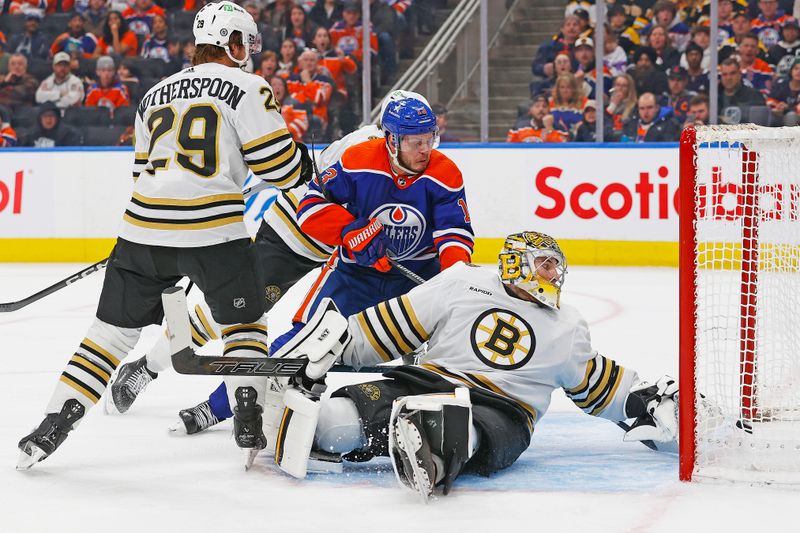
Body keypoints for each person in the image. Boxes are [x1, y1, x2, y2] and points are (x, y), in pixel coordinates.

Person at [17, 1, 307, 469]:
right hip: (217, 232)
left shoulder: (153, 94)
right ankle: (248, 413)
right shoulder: (249, 87)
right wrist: (304, 162)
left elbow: (141, 174)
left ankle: (53, 425)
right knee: (243, 325)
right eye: (244, 43)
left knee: (108, 337)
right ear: (231, 42)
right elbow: (280, 169)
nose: (248, 52)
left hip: (143, 230)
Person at [105, 90, 436, 438]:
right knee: (235, 312)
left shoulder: (412, 159)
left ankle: (410, 347)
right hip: (292, 238)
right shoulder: (361, 148)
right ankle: (148, 367)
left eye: (427, 138)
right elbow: (322, 197)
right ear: (391, 134)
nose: (424, 147)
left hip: (340, 250)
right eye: (415, 138)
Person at [269, 231, 679, 499]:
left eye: (557, 266)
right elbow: (389, 328)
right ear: (518, 262)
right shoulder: (461, 282)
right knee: (338, 422)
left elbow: (599, 385)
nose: (555, 274)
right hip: (422, 384)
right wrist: (333, 346)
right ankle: (292, 425)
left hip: (501, 410)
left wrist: (646, 402)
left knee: (471, 431)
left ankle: (434, 447)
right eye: (546, 263)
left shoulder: (566, 326)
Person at [719, 57, 767, 123]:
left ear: (740, 74)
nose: (728, 78)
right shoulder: (714, 97)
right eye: (724, 74)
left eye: (732, 73)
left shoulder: (754, 95)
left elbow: (761, 121)